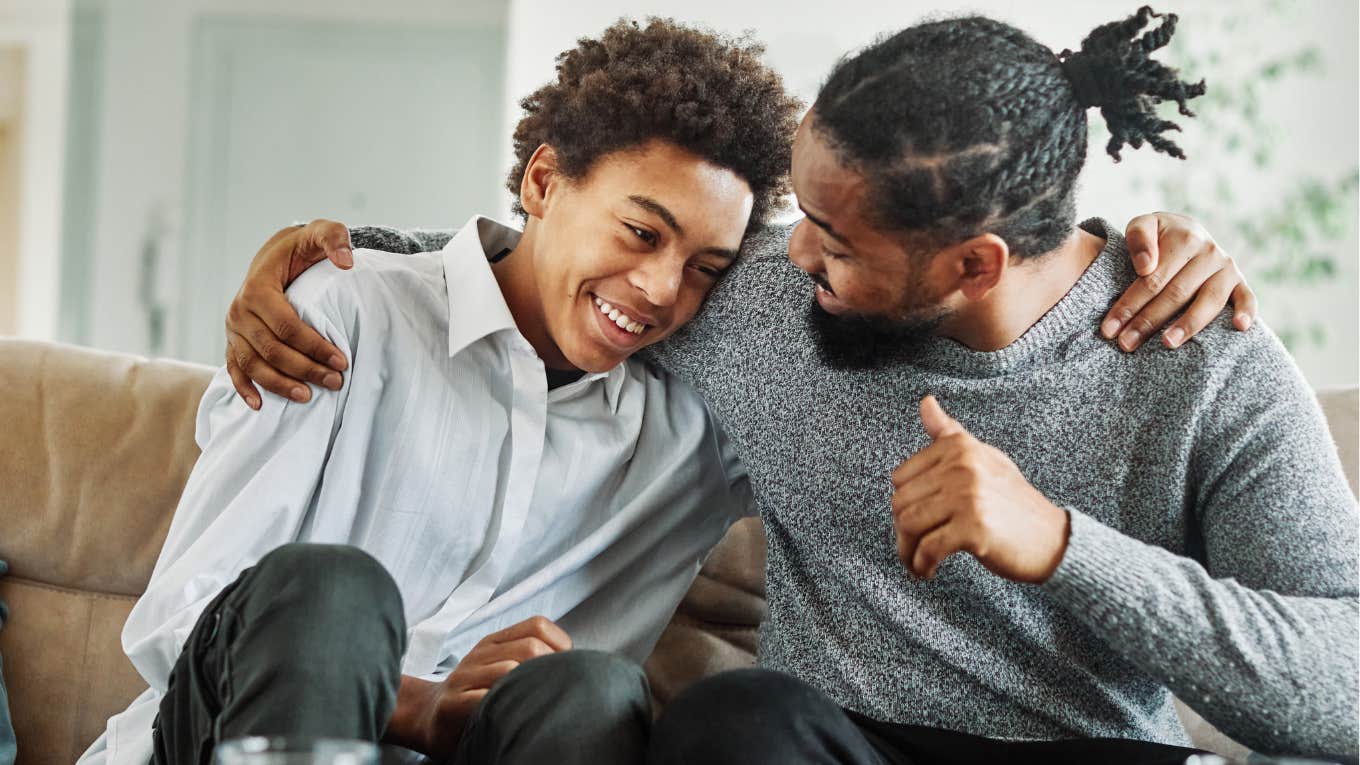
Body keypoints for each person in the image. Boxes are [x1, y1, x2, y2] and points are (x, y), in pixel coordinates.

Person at [226, 7, 1359, 764]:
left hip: (1084, 747)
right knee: (730, 718)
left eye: (832, 239)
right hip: (821, 742)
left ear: (973, 265)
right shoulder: (763, 298)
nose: (790, 260)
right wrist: (331, 255)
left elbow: (1344, 692)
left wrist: (1062, 544)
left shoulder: (1203, 361)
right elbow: (566, 261)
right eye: (798, 218)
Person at [79, 19, 801, 765]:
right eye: (641, 233)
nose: (661, 289)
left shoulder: (703, 430)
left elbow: (839, 274)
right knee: (333, 593)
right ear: (543, 182)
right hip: (231, 734)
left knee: (588, 687)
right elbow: (185, 615)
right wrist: (417, 704)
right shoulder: (343, 312)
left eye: (707, 268)